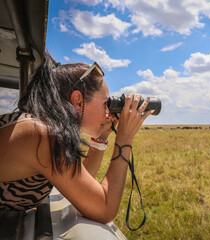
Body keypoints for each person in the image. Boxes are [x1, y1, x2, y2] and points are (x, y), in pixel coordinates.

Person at [0, 52, 152, 224]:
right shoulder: (44, 136)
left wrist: (101, 138)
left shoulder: (39, 128)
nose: (109, 112)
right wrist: (124, 139)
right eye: (105, 104)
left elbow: (81, 182)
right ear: (78, 100)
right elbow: (104, 209)